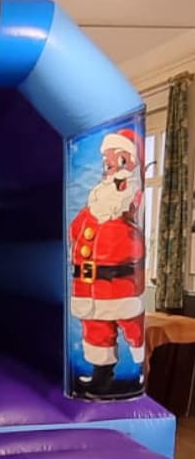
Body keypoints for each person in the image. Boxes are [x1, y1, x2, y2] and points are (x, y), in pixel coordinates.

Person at [69, 128, 145, 397]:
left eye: (120, 160)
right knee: (95, 328)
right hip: (89, 284)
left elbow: (136, 217)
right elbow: (75, 229)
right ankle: (102, 377)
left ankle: (139, 368)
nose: (112, 168)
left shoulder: (132, 199)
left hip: (120, 284)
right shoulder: (94, 204)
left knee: (133, 326)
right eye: (108, 163)